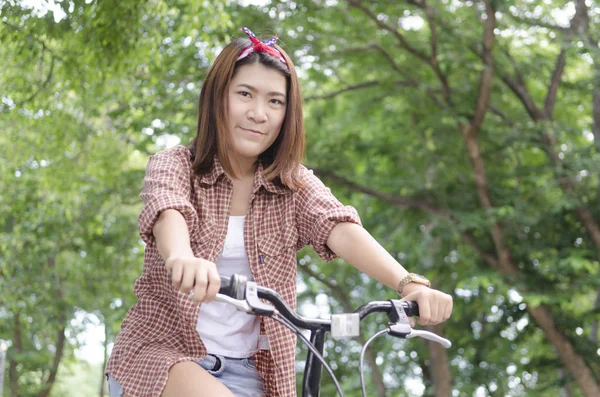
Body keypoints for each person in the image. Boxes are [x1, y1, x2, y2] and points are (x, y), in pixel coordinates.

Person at [105, 27, 453, 397]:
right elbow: (167, 209)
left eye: (275, 102)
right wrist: (182, 257)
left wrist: (408, 283)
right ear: (216, 99)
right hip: (164, 354)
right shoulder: (175, 165)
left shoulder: (292, 186)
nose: (259, 113)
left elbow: (338, 225)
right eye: (244, 94)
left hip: (254, 370)